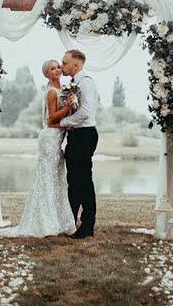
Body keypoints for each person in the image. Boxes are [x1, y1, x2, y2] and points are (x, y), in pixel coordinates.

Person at [0, 59, 76, 237]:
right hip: (50, 138)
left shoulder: (62, 90)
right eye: (52, 68)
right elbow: (50, 120)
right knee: (47, 179)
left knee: (55, 179)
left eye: (58, 66)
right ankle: (44, 223)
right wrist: (67, 107)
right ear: (47, 74)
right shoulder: (52, 92)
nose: (58, 70)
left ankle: (57, 221)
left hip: (56, 139)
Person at [59, 49, 99, 239]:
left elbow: (85, 112)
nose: (62, 66)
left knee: (83, 181)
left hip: (84, 135)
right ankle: (70, 221)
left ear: (76, 64)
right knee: (73, 181)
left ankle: (88, 225)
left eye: (65, 63)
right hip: (77, 135)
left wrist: (63, 123)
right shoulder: (75, 83)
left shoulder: (86, 83)